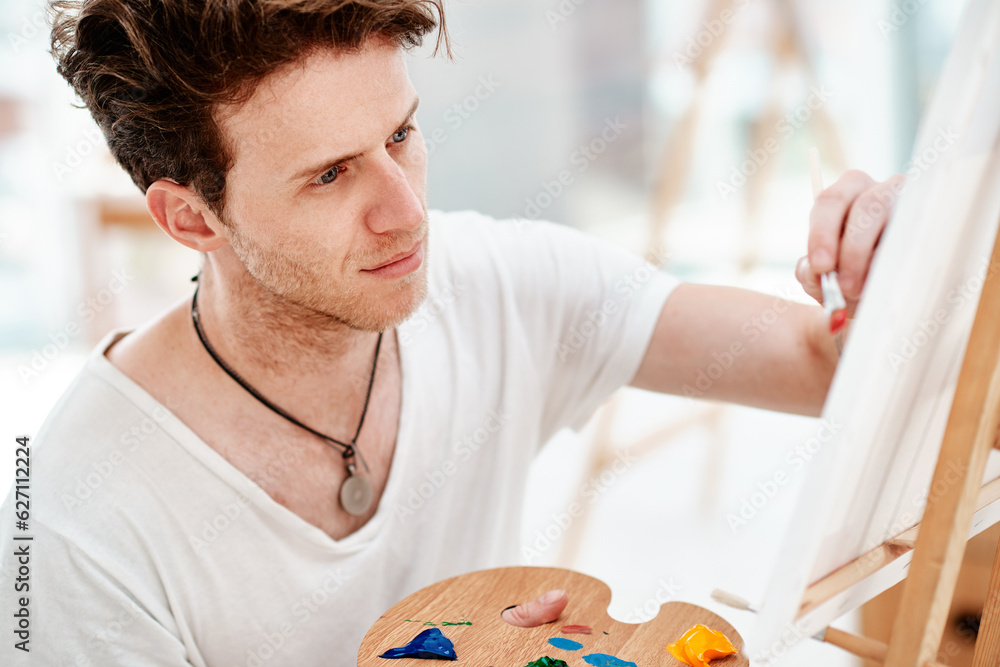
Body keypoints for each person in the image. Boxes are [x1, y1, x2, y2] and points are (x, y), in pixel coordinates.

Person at [0, 0, 904, 664]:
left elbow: (831, 362)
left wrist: (912, 248)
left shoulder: (498, 283)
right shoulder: (74, 523)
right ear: (192, 219)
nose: (405, 212)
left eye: (401, 134)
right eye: (329, 176)